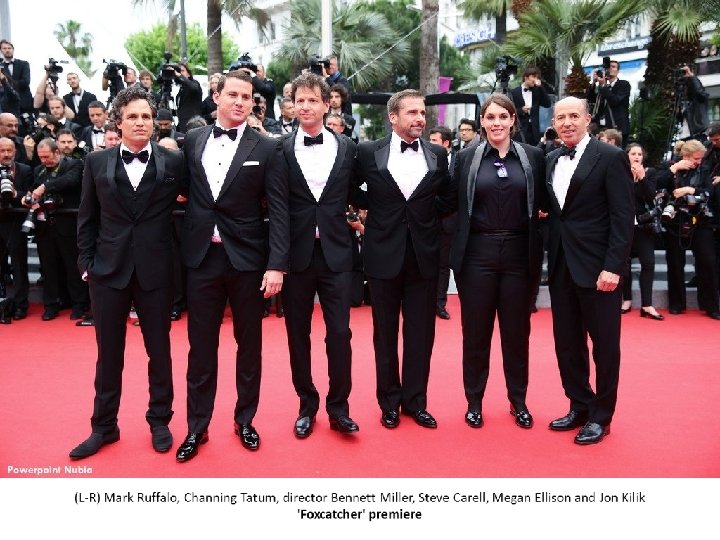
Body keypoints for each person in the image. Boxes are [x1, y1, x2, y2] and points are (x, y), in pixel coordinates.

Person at [175, 70, 289, 463]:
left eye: (247, 97)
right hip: (202, 257)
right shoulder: (193, 140)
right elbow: (185, 190)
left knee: (249, 345)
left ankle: (245, 420)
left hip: (248, 261)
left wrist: (277, 264)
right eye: (234, 95)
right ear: (217, 97)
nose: (241, 102)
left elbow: (279, 209)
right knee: (200, 347)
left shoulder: (268, 147)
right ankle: (197, 426)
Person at [69, 86, 185, 460]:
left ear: (154, 122)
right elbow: (87, 216)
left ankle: (160, 421)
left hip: (156, 272)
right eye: (132, 116)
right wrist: (86, 263)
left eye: (146, 116)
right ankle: (104, 427)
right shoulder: (96, 162)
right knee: (108, 354)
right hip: (107, 271)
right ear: (118, 122)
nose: (140, 122)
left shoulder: (174, 162)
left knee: (159, 351)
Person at [354, 89, 451, 430]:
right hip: (383, 254)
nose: (420, 118)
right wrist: (377, 208)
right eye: (412, 112)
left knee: (421, 334)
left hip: (424, 256)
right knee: (385, 334)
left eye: (422, 112)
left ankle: (416, 402)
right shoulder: (369, 152)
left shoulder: (438, 154)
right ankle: (389, 402)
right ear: (393, 117)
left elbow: (448, 196)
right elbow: (350, 188)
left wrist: (425, 216)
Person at [449, 94, 545, 429]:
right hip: (477, 254)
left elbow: (546, 201)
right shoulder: (465, 158)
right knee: (476, 334)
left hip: (520, 255)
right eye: (490, 117)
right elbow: (449, 203)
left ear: (513, 119)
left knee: (516, 335)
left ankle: (518, 401)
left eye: (503, 117)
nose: (497, 123)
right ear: (482, 122)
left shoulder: (533, 157)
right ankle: (474, 402)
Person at [545, 96, 634, 445]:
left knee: (605, 347)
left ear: (587, 119)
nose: (567, 123)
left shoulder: (610, 157)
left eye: (573, 116)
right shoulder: (550, 159)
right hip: (562, 266)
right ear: (553, 122)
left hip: (599, 270)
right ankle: (579, 405)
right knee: (567, 344)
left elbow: (623, 217)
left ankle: (601, 416)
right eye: (561, 117)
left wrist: (613, 267)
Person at [281, 72, 360, 439]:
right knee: (297, 334)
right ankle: (306, 404)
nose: (306, 106)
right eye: (300, 100)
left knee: (340, 333)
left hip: (337, 254)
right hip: (296, 255)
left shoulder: (348, 148)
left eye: (313, 100)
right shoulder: (280, 149)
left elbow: (361, 191)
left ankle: (339, 407)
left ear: (327, 104)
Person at [23, 138, 89, 321]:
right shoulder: (38, 170)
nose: (45, 161)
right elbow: (32, 190)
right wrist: (27, 197)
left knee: (73, 267)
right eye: (41, 157)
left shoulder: (73, 165)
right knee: (49, 268)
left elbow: (70, 181)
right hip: (44, 227)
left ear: (57, 152)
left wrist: (44, 187)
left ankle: (79, 304)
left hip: (68, 226)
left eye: (48, 157)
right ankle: (51, 305)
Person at [657, 139, 719, 319]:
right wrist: (674, 168)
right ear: (685, 155)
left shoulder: (705, 169)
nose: (698, 162)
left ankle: (711, 306)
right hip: (675, 221)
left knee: (708, 262)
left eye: (700, 158)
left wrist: (689, 190)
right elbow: (657, 184)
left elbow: (709, 192)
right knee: (675, 262)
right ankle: (677, 304)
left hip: (701, 220)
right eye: (695, 158)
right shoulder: (669, 166)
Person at [621, 143, 664, 320]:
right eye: (633, 153)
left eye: (639, 154)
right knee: (624, 264)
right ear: (627, 156)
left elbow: (651, 196)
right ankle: (627, 300)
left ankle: (647, 305)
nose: (637, 157)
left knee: (648, 263)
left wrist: (642, 177)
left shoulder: (650, 172)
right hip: (623, 226)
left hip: (643, 226)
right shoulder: (620, 173)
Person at [0, 136, 33, 323]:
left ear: (15, 151)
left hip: (15, 223)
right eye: (2, 151)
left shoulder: (24, 170)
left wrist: (14, 194)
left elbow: (30, 194)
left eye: (9, 150)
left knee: (19, 266)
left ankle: (21, 305)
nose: (6, 154)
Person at [428, 125, 456, 320]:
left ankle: (439, 304)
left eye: (434, 141)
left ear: (446, 143)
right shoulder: (424, 159)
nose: (430, 144)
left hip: (449, 221)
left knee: (443, 265)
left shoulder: (460, 161)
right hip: (426, 220)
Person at [587, 59, 630, 146]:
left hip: (617, 126)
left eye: (613, 67)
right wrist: (594, 83)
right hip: (601, 127)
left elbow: (614, 101)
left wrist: (603, 86)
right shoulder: (602, 87)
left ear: (618, 71)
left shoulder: (623, 84)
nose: (610, 68)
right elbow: (591, 99)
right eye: (608, 67)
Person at [510, 66, 551, 146]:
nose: (536, 79)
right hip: (520, 130)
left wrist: (540, 87)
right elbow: (510, 112)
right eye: (534, 77)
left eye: (537, 77)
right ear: (526, 77)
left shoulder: (537, 91)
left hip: (534, 131)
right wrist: (521, 110)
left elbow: (547, 104)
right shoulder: (514, 92)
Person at [0, 39, 33, 116]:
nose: (7, 50)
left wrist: (6, 83)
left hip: (24, 103)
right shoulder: (1, 66)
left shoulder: (23, 64)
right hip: (7, 105)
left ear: (13, 49)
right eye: (4, 48)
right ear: (1, 51)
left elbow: (26, 81)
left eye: (9, 48)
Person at [678, 64, 709, 141]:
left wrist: (692, 77)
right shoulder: (685, 102)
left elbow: (699, 92)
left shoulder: (700, 99)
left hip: (698, 136)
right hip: (685, 138)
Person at [174, 63, 203, 132]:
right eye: (178, 71)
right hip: (183, 124)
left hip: (193, 124)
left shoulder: (194, 83)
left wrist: (180, 76)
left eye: (182, 71)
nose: (180, 73)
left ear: (189, 74)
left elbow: (194, 88)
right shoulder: (181, 89)